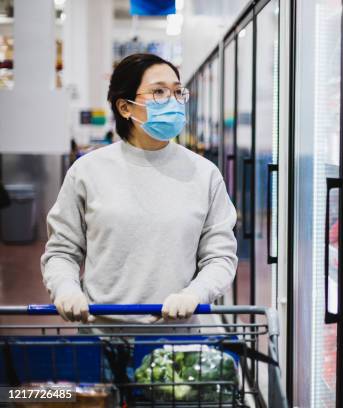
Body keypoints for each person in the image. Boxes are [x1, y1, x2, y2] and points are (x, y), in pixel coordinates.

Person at [40, 53, 238, 328]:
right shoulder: (87, 172)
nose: (172, 100)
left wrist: (195, 294)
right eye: (159, 91)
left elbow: (220, 256)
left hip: (183, 339)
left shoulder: (204, 174)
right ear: (125, 108)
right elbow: (62, 251)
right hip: (105, 335)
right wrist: (66, 289)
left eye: (178, 91)